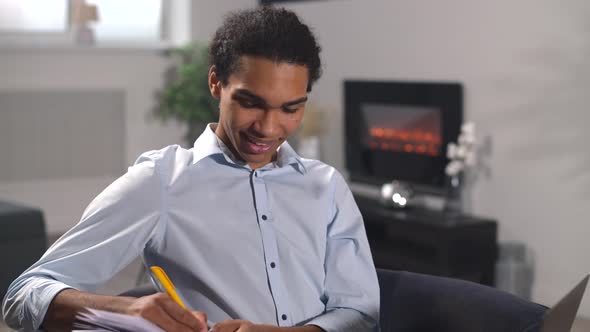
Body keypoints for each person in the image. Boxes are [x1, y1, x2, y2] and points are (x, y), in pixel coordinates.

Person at [2, 6, 379, 332]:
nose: (267, 127)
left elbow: (360, 313)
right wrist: (127, 308)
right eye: (250, 102)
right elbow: (24, 295)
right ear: (216, 83)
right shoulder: (162, 181)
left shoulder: (326, 187)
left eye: (290, 109)